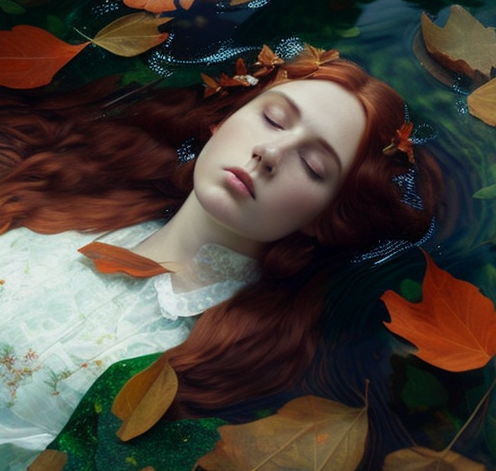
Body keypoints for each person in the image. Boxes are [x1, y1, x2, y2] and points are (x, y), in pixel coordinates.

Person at [0, 44, 440, 469]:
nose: (270, 153)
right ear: (223, 118)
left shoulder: (227, 367)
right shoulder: (53, 200)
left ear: (328, 216)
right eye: (271, 119)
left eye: (313, 166)